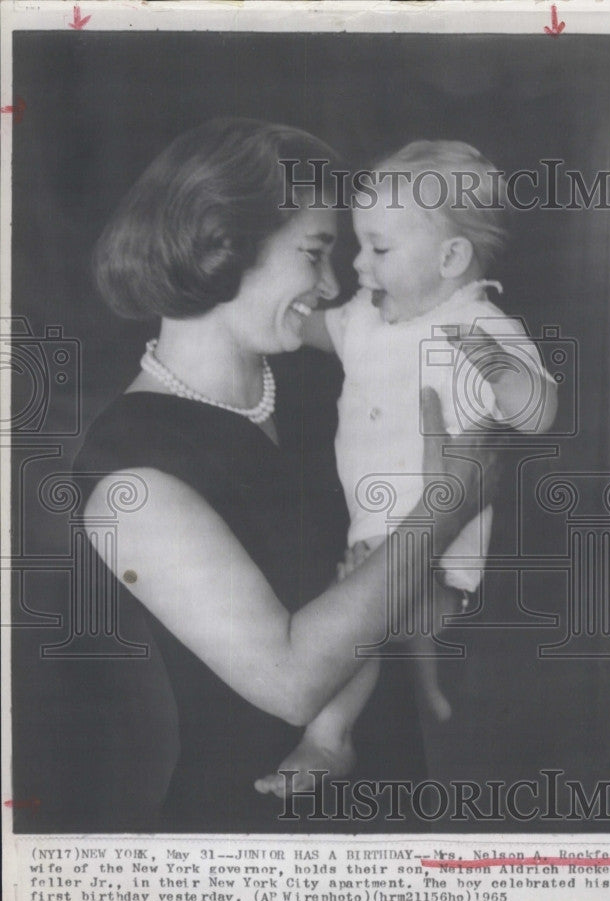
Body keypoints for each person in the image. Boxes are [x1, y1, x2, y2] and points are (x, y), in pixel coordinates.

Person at [74, 119, 498, 832]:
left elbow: (426, 616)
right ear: (223, 243)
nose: (333, 287)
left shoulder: (323, 392)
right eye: (315, 254)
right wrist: (448, 505)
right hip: (252, 833)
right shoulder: (130, 470)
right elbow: (293, 682)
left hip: (394, 810)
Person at [255, 140, 558, 799]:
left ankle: (329, 737)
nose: (359, 264)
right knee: (389, 621)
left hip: (431, 537)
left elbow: (538, 414)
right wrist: (253, 303)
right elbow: (311, 332)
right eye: (358, 245)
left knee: (358, 620)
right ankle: (428, 686)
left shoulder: (478, 325)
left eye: (379, 249)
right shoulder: (367, 316)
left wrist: (509, 381)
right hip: (378, 519)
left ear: (451, 259)